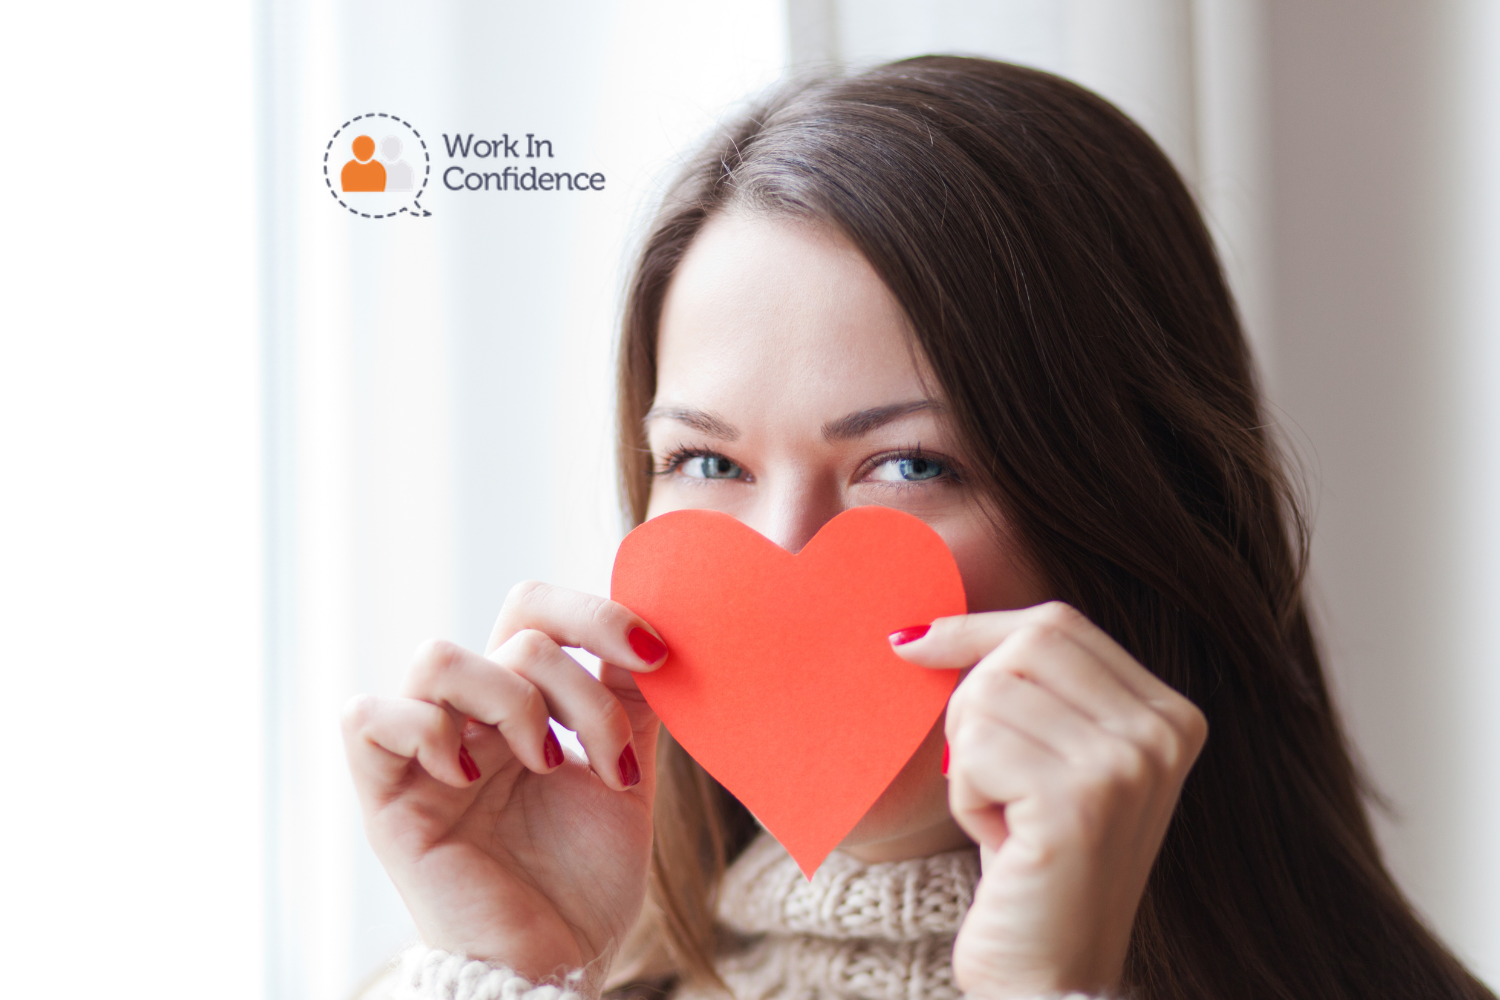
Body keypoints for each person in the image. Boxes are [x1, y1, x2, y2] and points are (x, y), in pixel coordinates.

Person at [343, 57, 1495, 1000]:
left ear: (1138, 503)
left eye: (909, 463)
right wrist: (506, 964)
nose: (785, 554)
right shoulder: (514, 973)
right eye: (708, 460)